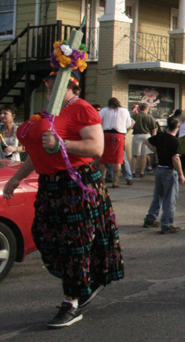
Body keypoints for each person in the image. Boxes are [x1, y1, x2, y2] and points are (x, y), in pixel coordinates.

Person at [2, 62, 123, 329]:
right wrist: (16, 178)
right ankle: (86, 282)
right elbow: (39, 153)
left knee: (72, 246)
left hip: (76, 184)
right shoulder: (49, 112)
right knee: (45, 238)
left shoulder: (82, 109)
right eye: (47, 80)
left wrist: (62, 143)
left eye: (55, 81)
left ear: (72, 85)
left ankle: (71, 302)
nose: (48, 84)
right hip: (50, 186)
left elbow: (96, 148)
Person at [143, 116, 185, 233]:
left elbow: (147, 141)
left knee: (158, 195)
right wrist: (181, 174)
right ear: (178, 127)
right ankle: (166, 224)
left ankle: (150, 218)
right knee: (170, 198)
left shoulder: (161, 136)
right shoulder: (175, 141)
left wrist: (155, 150)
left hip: (160, 169)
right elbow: (175, 159)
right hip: (169, 171)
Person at [99, 97, 133, 188]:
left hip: (105, 135)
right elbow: (128, 124)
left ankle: (102, 180)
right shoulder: (124, 111)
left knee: (104, 158)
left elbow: (98, 121)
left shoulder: (104, 110)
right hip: (119, 135)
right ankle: (116, 181)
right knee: (118, 158)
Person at [131, 102, 158, 178]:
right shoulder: (150, 117)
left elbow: (130, 125)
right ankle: (142, 172)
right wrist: (154, 140)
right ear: (146, 109)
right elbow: (154, 129)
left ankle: (133, 171)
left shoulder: (135, 116)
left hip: (137, 135)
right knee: (144, 155)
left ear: (140, 108)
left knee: (135, 155)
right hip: (146, 135)